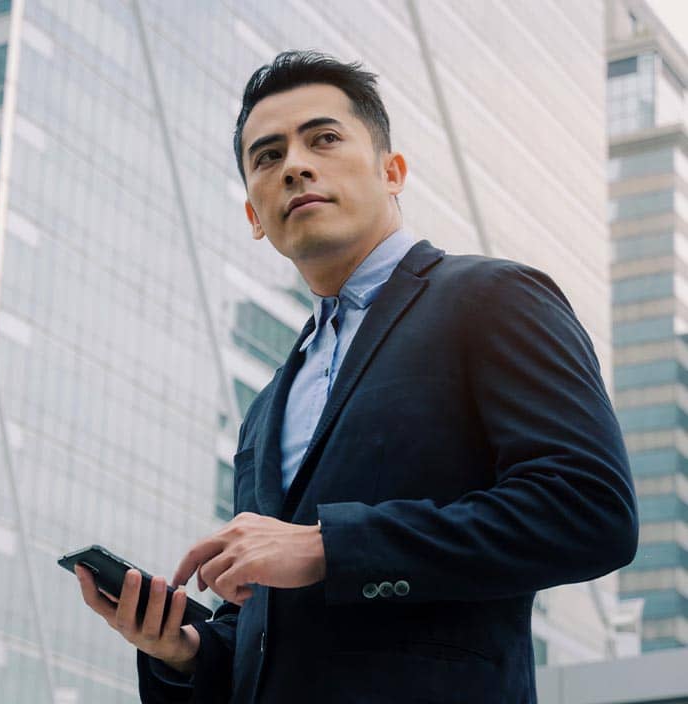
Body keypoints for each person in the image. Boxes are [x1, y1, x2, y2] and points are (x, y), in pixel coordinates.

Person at [72, 50, 638, 703]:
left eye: (325, 139)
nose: (295, 166)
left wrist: (331, 547)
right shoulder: (264, 409)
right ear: (254, 217)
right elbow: (268, 626)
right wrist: (184, 652)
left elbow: (592, 511)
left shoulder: (492, 297)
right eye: (267, 156)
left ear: (392, 171)